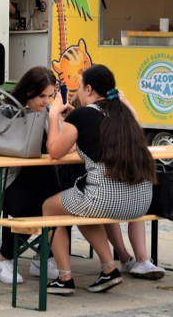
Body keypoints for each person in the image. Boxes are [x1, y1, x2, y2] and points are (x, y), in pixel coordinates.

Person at [43, 64, 157, 295]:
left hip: (106, 198)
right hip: (142, 201)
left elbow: (54, 151)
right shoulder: (124, 112)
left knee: (49, 207)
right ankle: (108, 269)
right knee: (82, 205)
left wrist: (55, 114)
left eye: (79, 86)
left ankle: (64, 278)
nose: (76, 92)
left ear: (89, 89)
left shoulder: (81, 115)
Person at [0, 66, 62, 284]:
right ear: (28, 92)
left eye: (49, 96)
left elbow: (57, 146)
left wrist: (54, 118)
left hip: (33, 184)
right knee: (36, 207)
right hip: (3, 182)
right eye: (42, 96)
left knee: (65, 201)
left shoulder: (46, 113)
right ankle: (4, 259)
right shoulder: (7, 113)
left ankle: (44, 255)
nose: (45, 101)